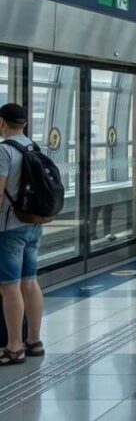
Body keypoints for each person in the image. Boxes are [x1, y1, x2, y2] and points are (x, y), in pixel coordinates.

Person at [0, 104, 45, 366]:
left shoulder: (4, 151)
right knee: (30, 281)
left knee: (9, 286)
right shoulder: (34, 148)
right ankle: (34, 341)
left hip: (9, 228)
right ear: (24, 124)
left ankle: (14, 347)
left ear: (2, 122)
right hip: (33, 225)